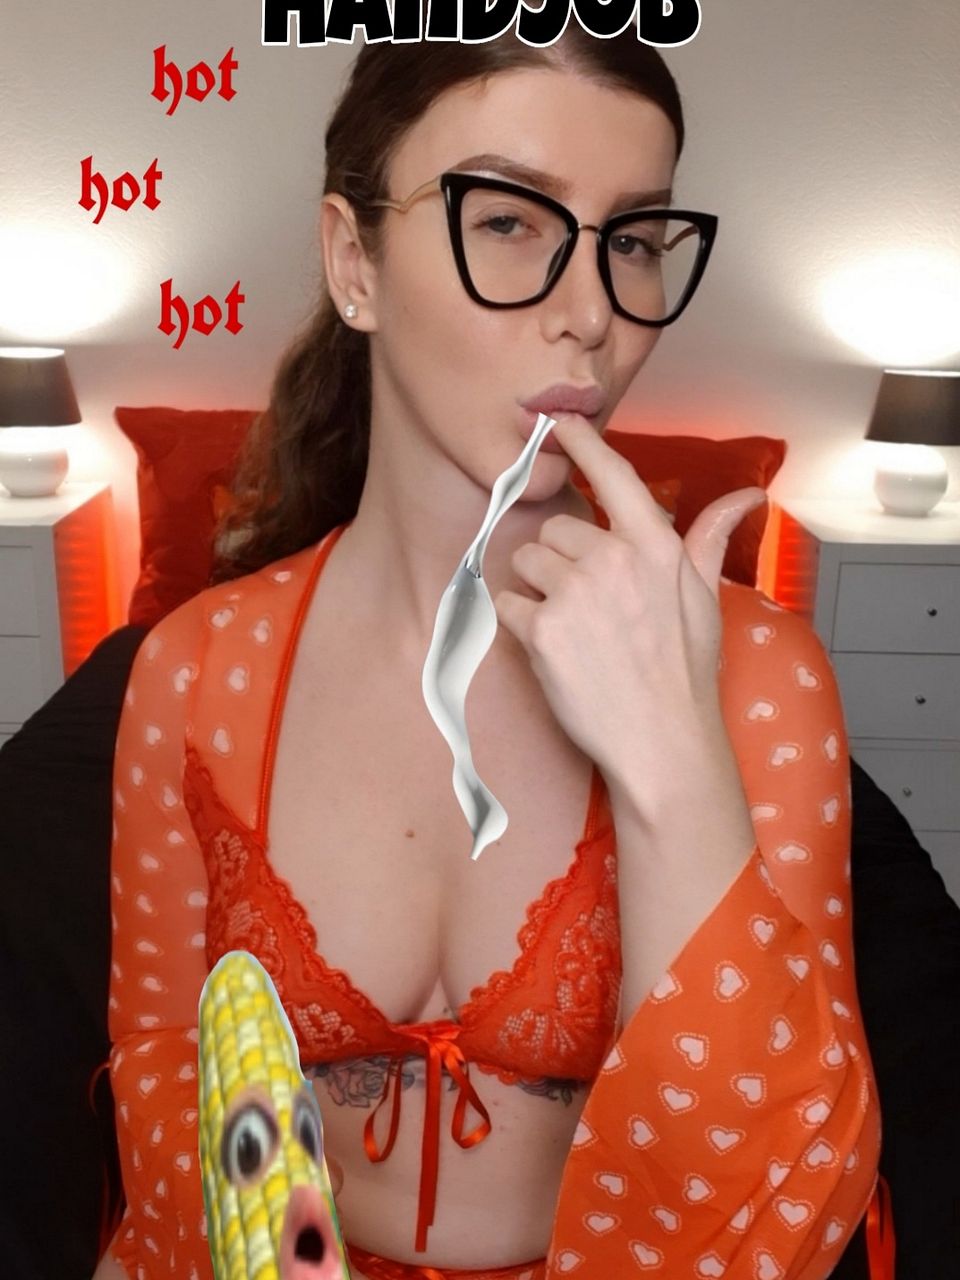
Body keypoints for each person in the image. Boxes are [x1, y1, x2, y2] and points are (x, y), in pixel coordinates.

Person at [95, 29, 883, 1280]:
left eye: (634, 239)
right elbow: (163, 1074)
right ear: (354, 263)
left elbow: (778, 1201)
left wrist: (672, 758)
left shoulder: (760, 678)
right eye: (509, 221)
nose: (592, 315)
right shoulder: (195, 670)